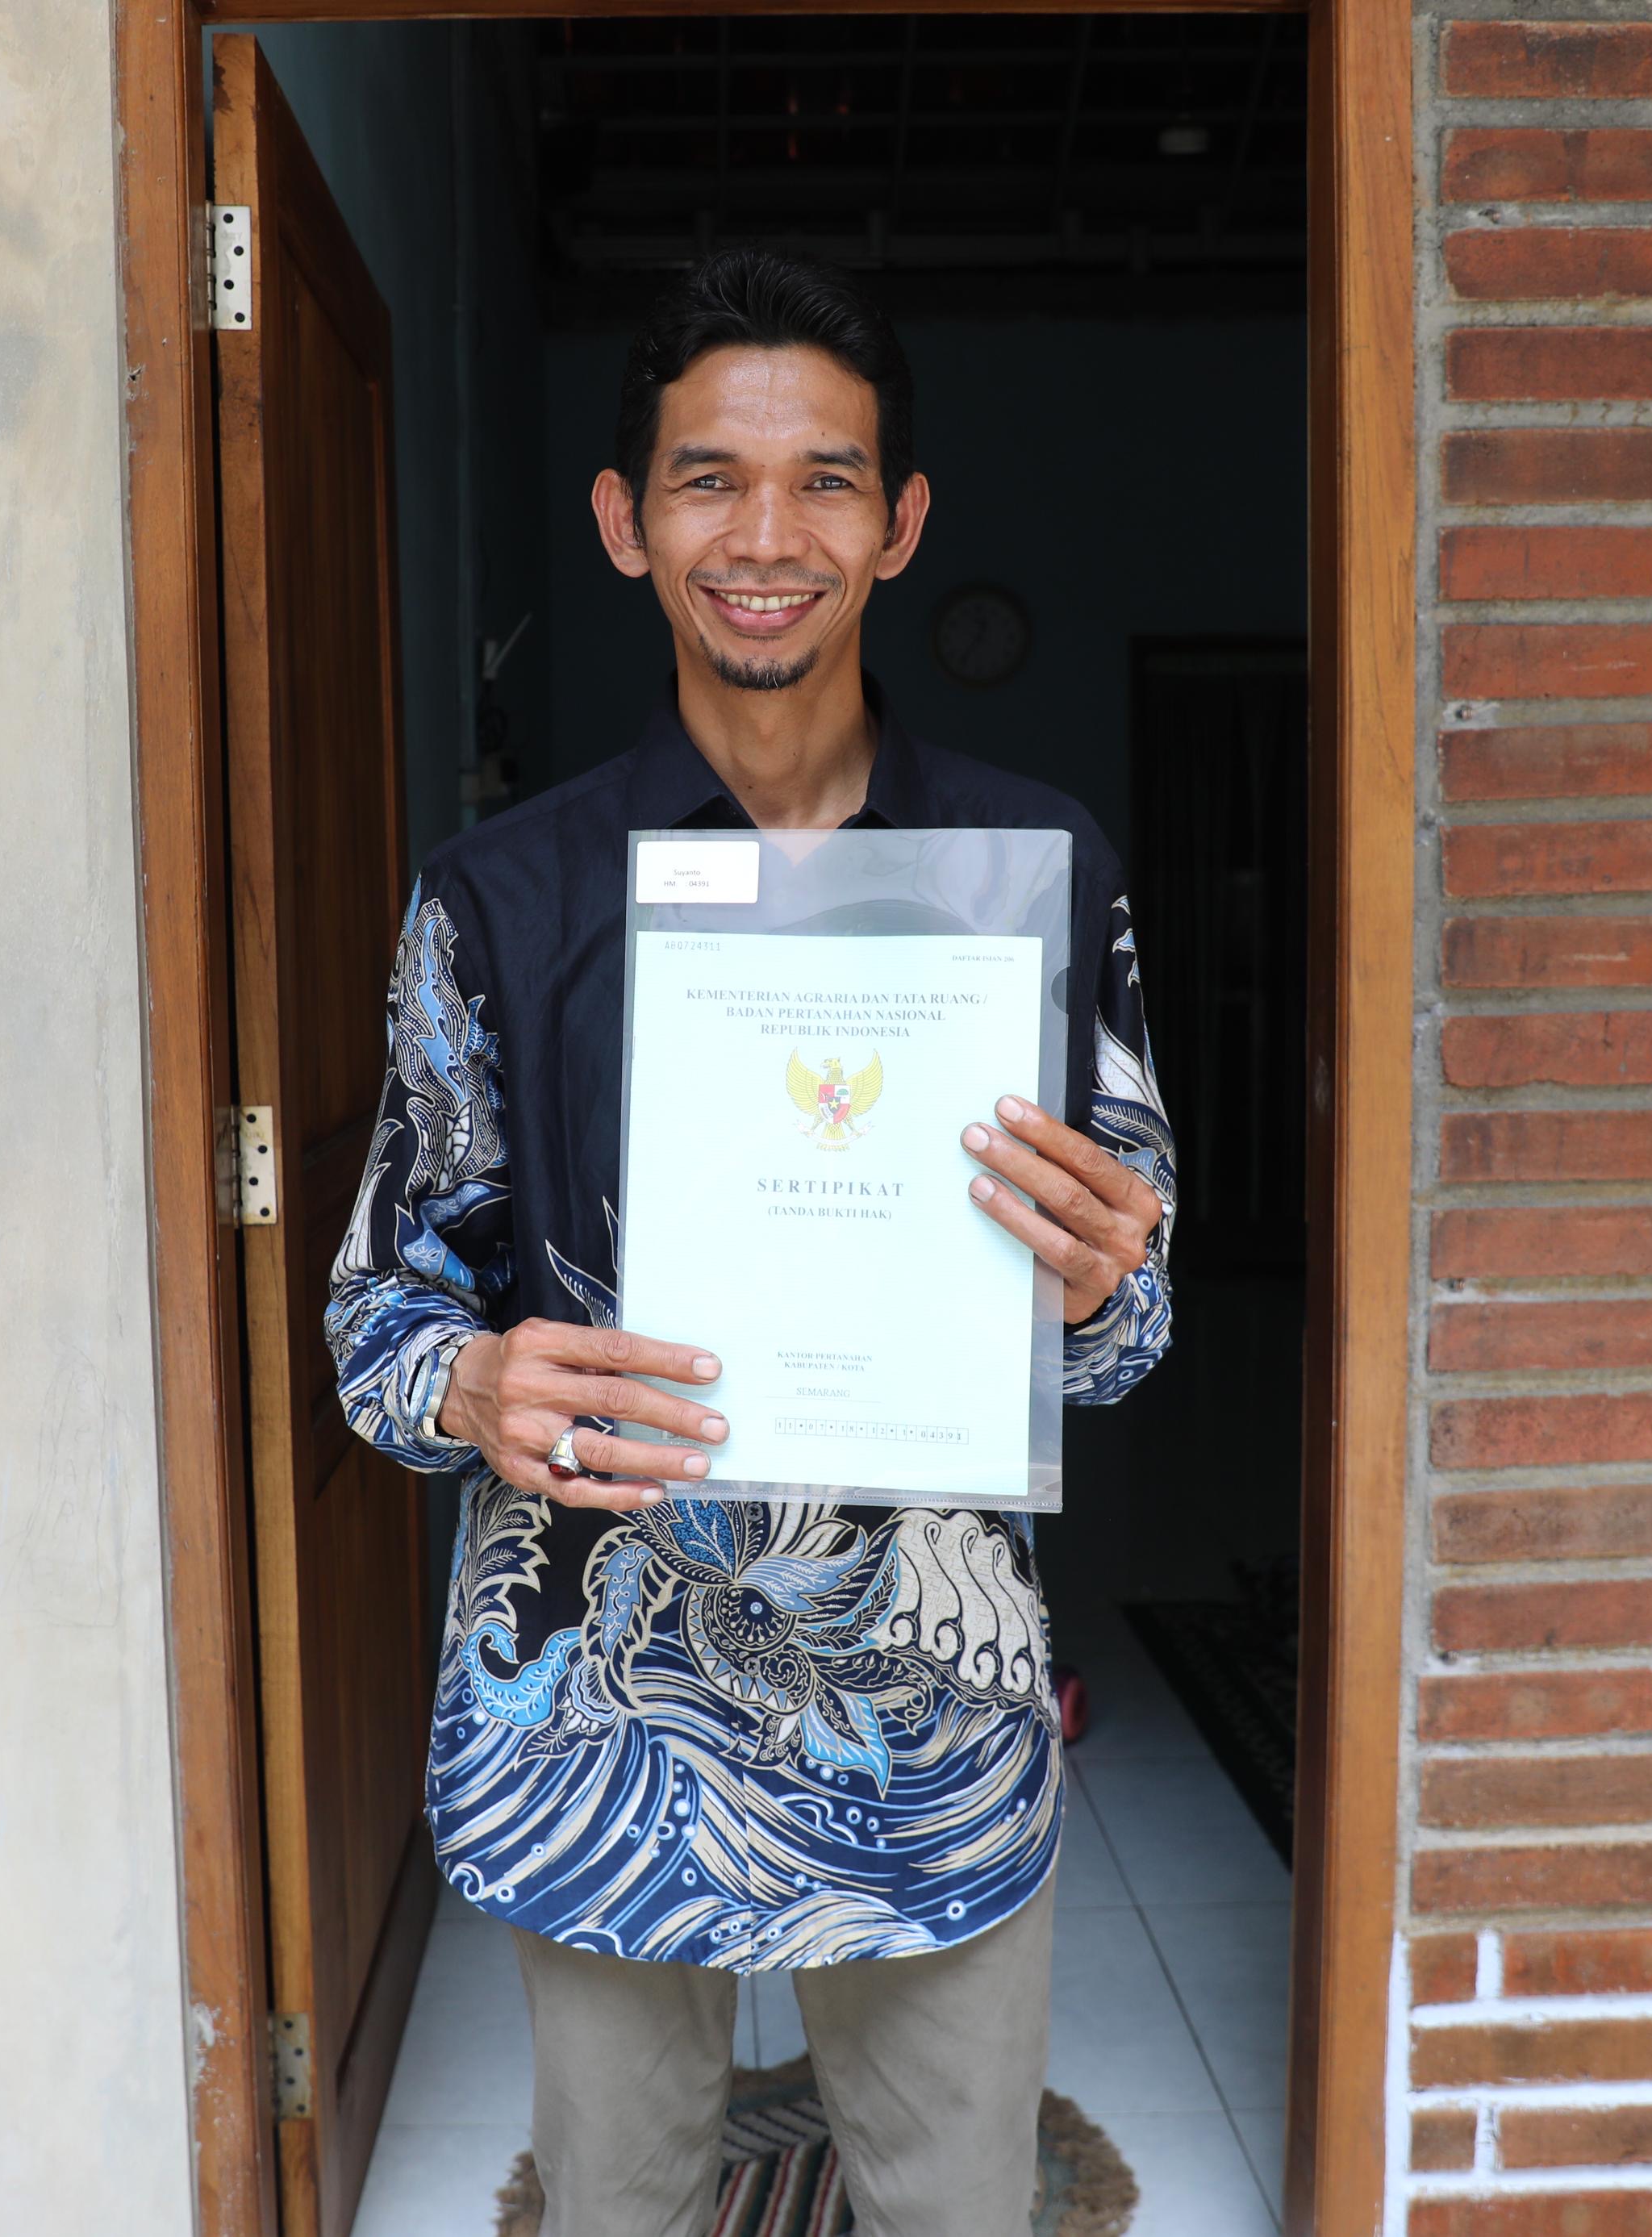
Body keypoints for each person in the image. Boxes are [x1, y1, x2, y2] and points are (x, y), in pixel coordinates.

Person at [324, 248, 1174, 2237]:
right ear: (625, 522)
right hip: (600, 1717)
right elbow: (378, 1316)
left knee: (958, 2206)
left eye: (825, 482)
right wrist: (475, 1377)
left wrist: (1101, 1282)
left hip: (929, 1712)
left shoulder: (1029, 883)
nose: (767, 537)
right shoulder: (499, 899)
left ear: (901, 523)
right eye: (708, 479)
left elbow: (1128, 1336)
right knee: (616, 2200)